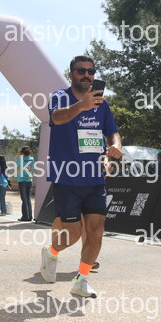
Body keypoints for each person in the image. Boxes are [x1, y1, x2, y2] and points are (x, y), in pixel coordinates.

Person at [40, 55, 122, 298]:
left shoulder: (102, 104)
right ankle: (51, 252)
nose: (87, 75)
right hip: (67, 177)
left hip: (95, 178)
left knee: (96, 231)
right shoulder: (59, 97)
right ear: (71, 74)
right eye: (81, 71)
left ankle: (82, 280)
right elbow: (56, 118)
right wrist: (82, 106)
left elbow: (112, 132)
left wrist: (115, 146)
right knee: (73, 234)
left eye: (91, 71)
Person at [16, 146, 34, 221]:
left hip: (22, 180)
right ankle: (30, 216)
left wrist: (18, 154)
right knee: (28, 199)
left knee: (24, 199)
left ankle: (25, 216)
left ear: (22, 152)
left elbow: (14, 165)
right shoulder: (32, 159)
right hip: (29, 180)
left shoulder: (20, 159)